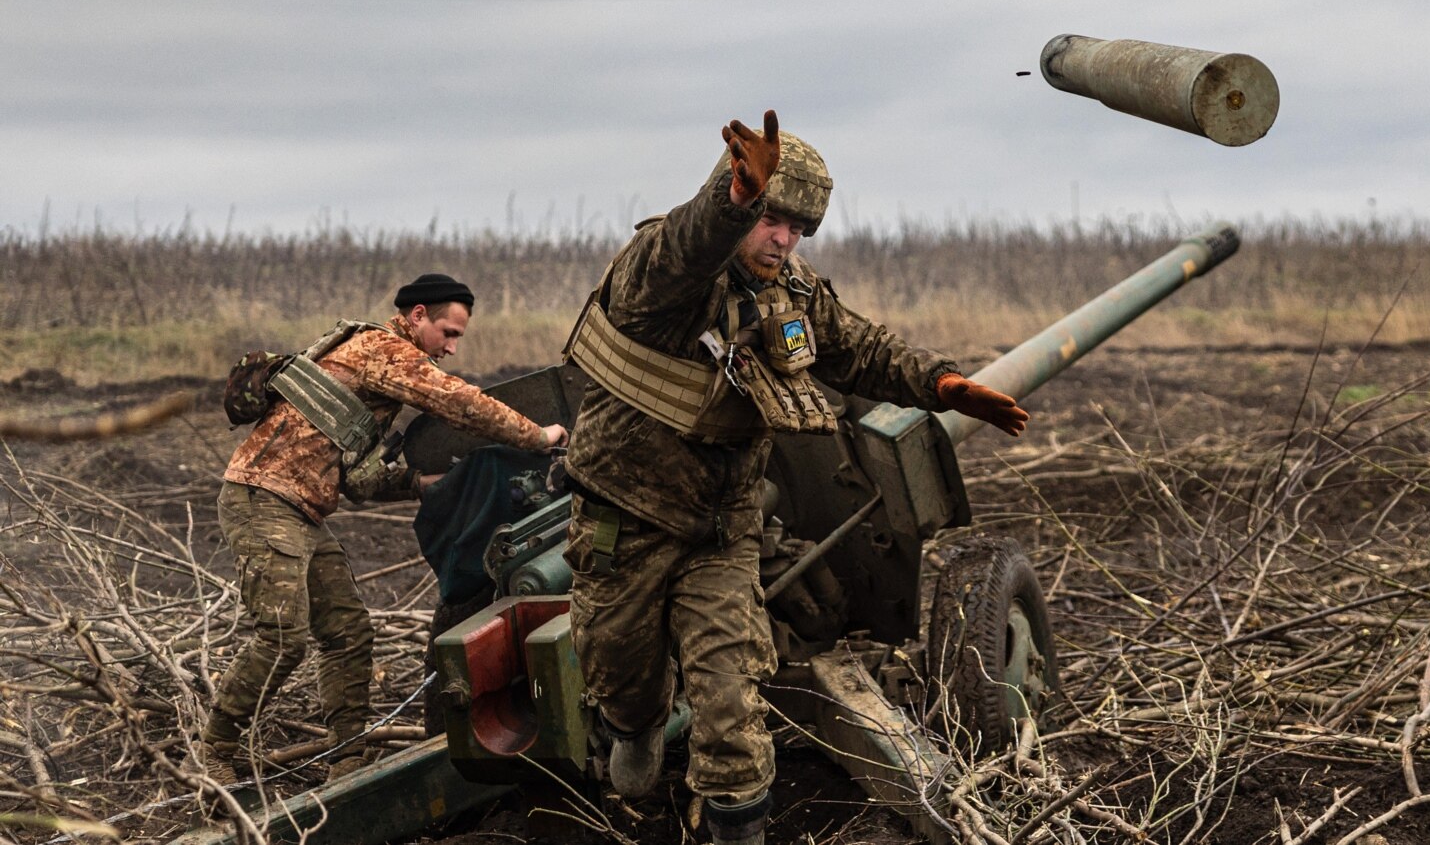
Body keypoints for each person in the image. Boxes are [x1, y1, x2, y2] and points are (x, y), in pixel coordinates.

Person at [560, 112, 1027, 845]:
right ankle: (634, 723)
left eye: (798, 228)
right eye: (772, 220)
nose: (783, 239)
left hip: (722, 532)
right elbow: (688, 243)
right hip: (625, 522)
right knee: (620, 675)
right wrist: (735, 197)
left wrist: (942, 384)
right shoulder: (663, 275)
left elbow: (860, 351)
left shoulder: (793, 293)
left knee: (730, 712)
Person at [198, 273, 569, 787]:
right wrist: (537, 434)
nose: (452, 348)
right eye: (449, 333)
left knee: (348, 633)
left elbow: (358, 480)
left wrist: (421, 482)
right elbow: (458, 403)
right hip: (262, 500)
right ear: (417, 317)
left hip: (300, 510)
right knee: (283, 637)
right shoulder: (383, 349)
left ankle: (347, 759)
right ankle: (213, 751)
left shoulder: (372, 362)